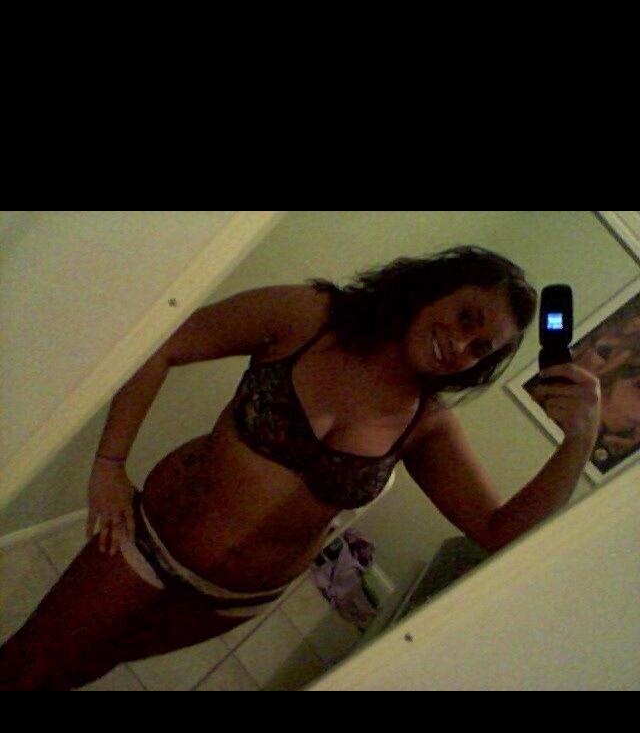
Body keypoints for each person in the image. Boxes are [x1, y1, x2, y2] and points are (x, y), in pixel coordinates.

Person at [0, 246, 602, 692]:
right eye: (467, 318)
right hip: (149, 543)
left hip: (232, 599)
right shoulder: (309, 315)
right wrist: (109, 463)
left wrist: (578, 440)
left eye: (480, 350)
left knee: (83, 667)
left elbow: (498, 532)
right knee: (25, 664)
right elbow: (164, 346)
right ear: (433, 288)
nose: (461, 346)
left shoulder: (428, 422)